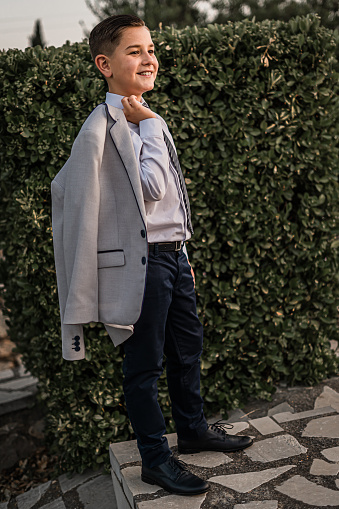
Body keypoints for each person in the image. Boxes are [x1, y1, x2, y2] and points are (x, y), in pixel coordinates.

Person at [51, 14, 253, 497]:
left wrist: (184, 254)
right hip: (141, 268)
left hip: (172, 257)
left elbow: (170, 203)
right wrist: (154, 126)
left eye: (150, 49)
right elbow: (151, 187)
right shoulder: (105, 129)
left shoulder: (139, 118)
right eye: (135, 51)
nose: (149, 58)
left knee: (188, 348)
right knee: (143, 368)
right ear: (105, 64)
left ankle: (192, 428)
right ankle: (155, 460)